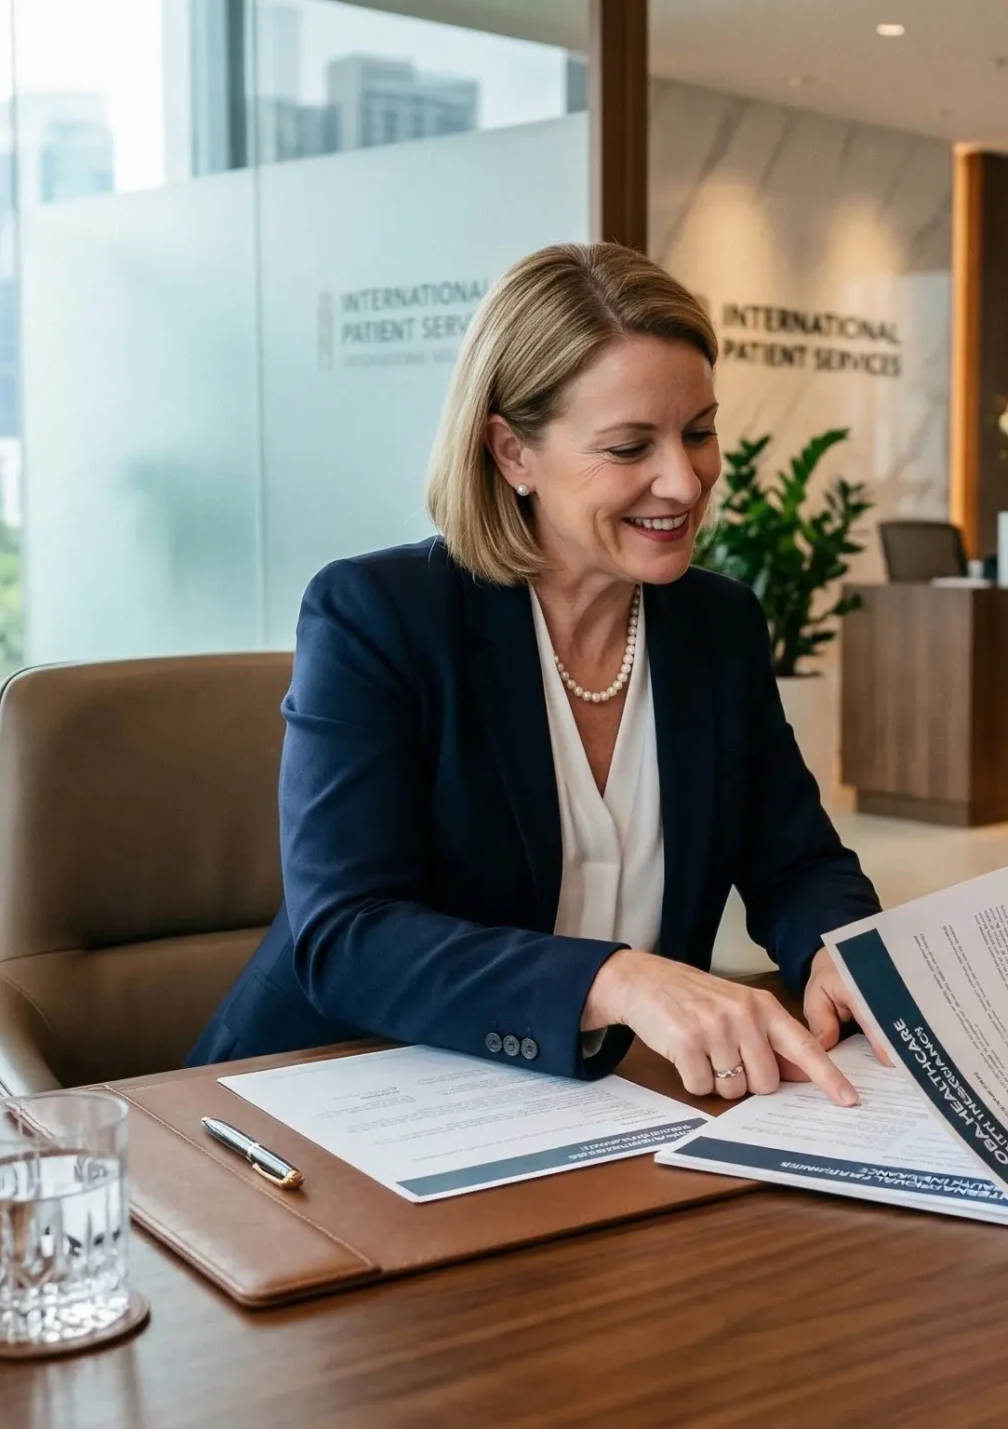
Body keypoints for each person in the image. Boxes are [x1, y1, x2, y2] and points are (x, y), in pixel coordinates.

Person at [190, 243, 877, 1107]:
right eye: (630, 446)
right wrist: (620, 981)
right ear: (513, 452)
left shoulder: (718, 623)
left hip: (605, 1099)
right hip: (336, 1095)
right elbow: (348, 936)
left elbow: (796, 859)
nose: (685, 478)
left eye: (698, 430)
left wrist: (840, 951)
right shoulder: (377, 614)